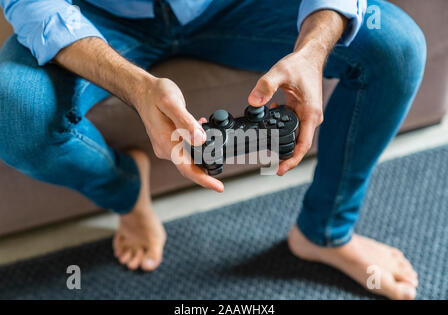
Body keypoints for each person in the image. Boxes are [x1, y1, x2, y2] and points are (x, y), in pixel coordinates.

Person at [0, 0, 426, 299]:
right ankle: (126, 193)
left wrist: (312, 50)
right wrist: (137, 87)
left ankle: (324, 232)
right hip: (95, 15)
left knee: (397, 48)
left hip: (229, 5)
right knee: (12, 113)